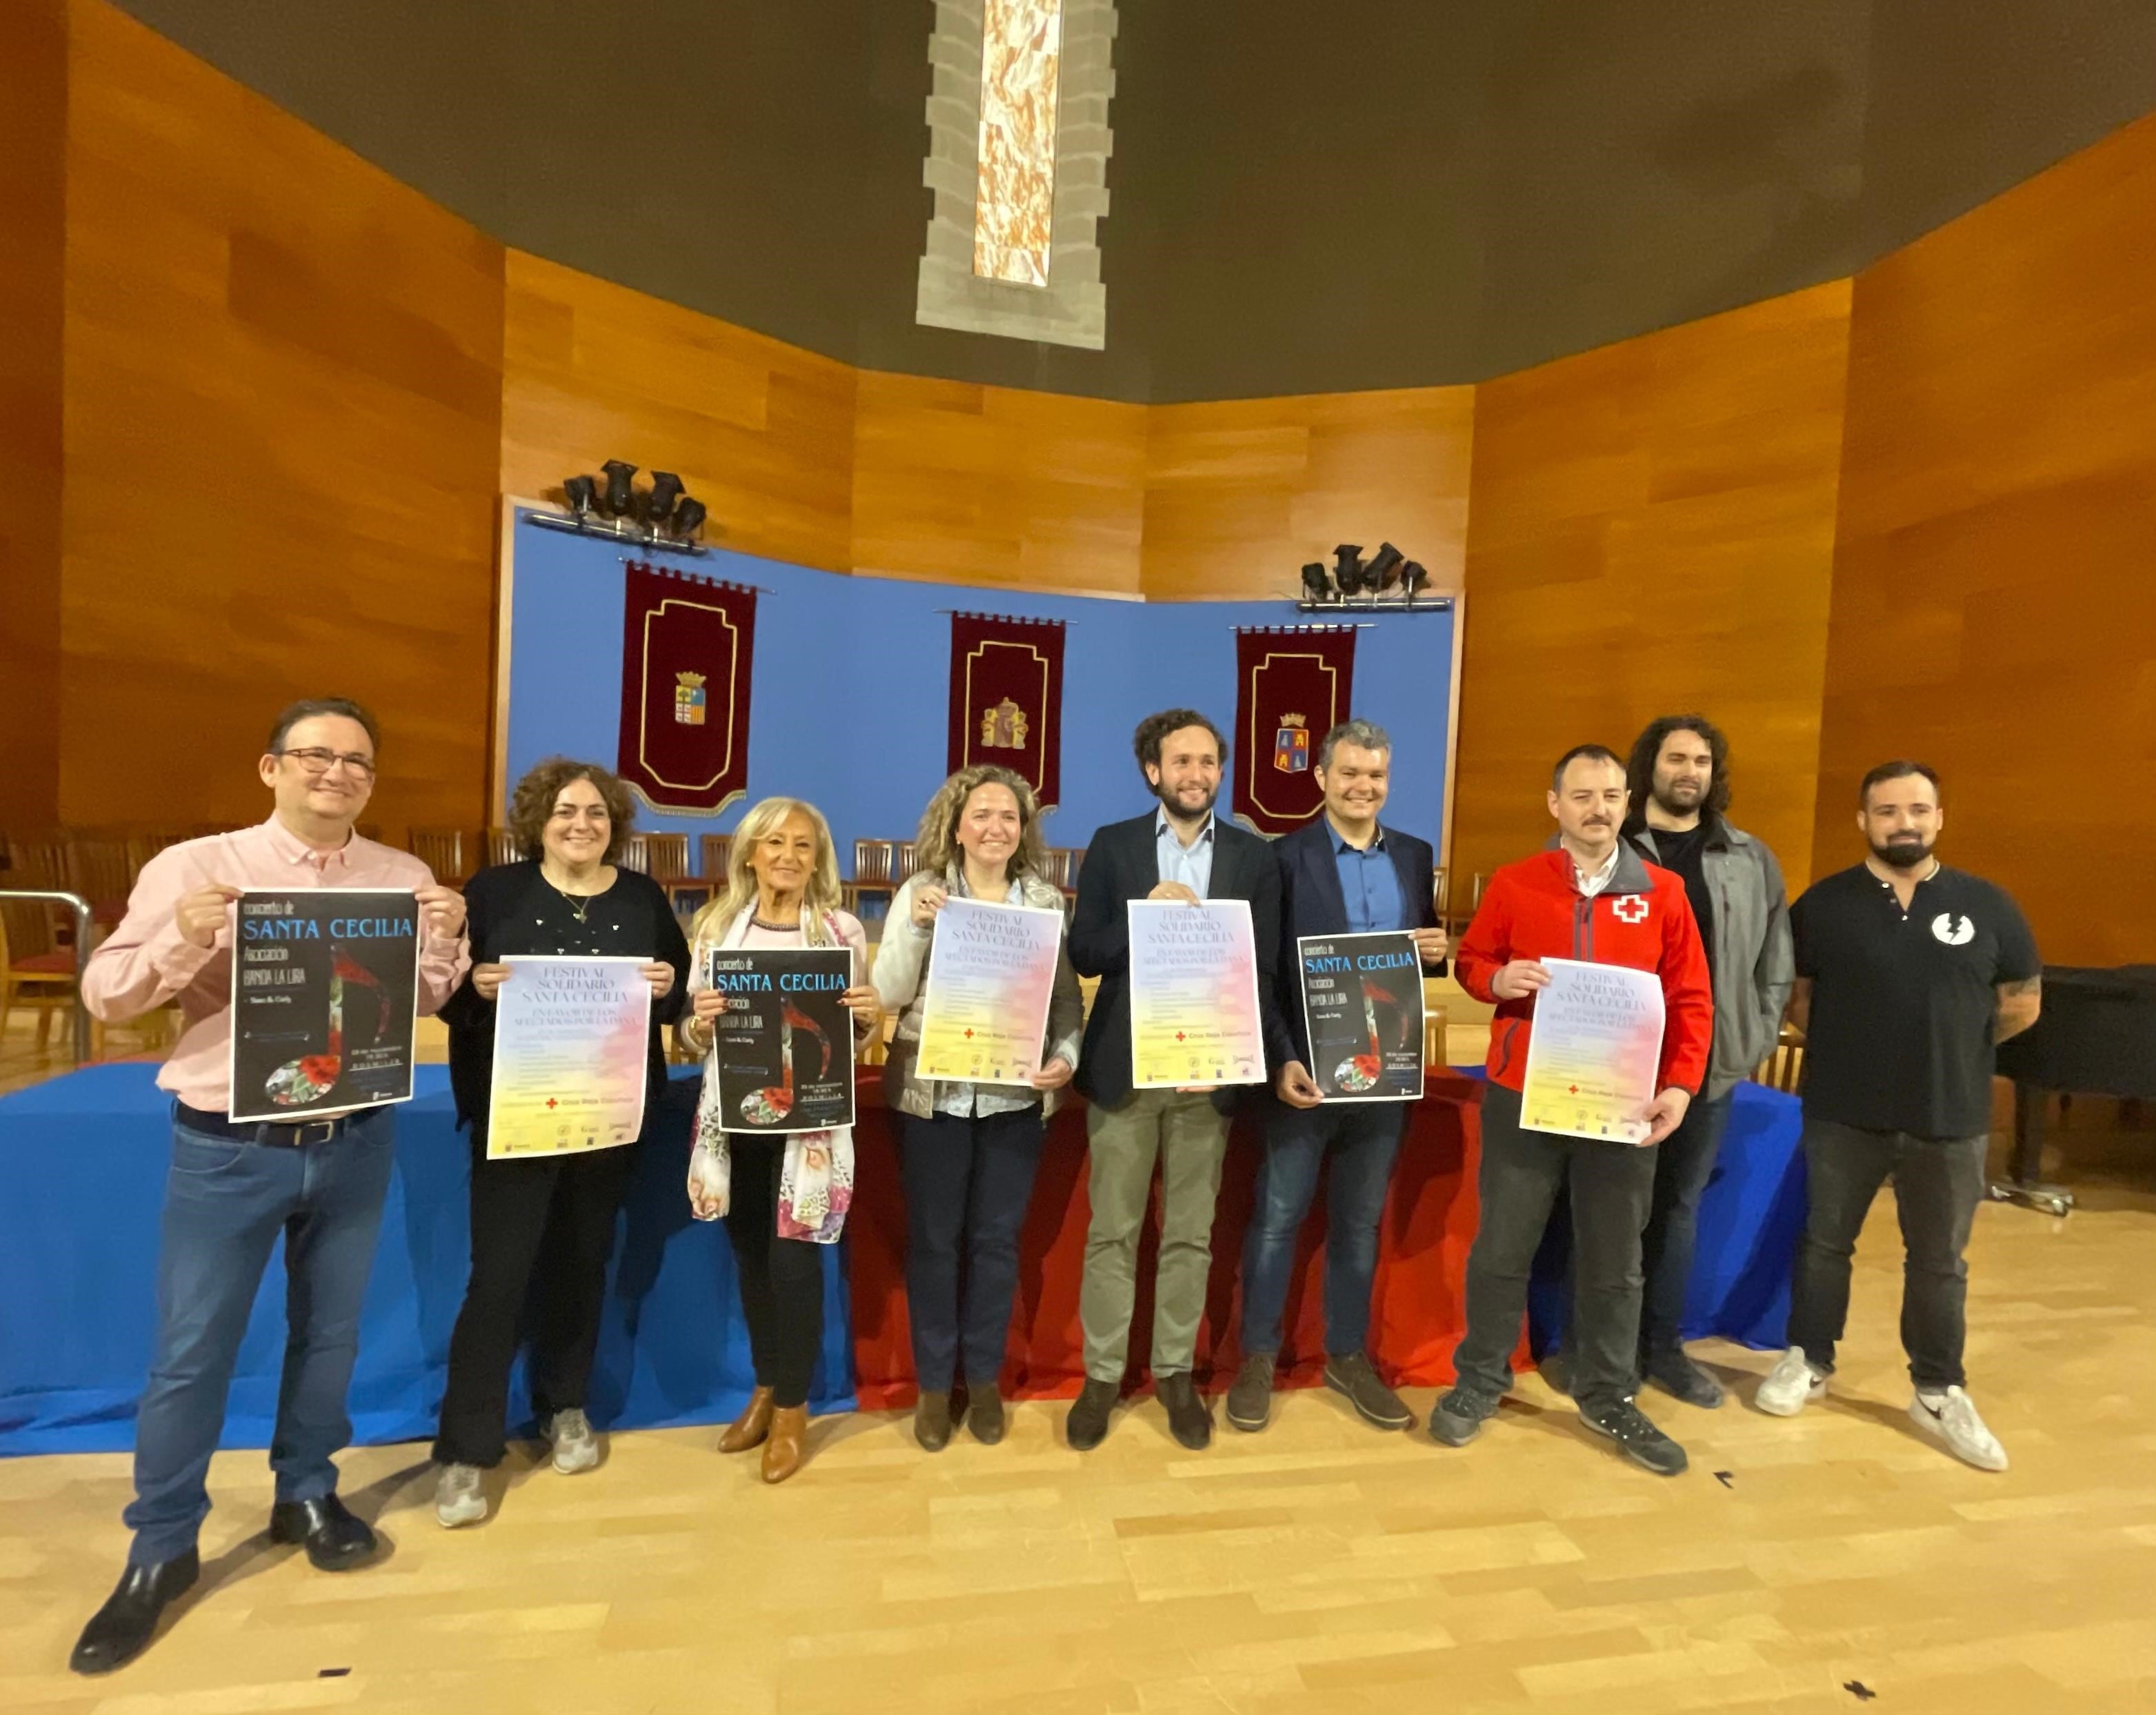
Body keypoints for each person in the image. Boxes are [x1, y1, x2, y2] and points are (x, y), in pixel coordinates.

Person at [68, 699, 469, 1674]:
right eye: (316, 756)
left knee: (331, 1331)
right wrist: (186, 937)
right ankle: (160, 1548)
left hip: (355, 1131)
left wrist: (444, 940)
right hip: (230, 1141)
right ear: (271, 767)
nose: (337, 774)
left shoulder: (400, 876)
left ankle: (306, 1491)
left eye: (357, 763)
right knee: (191, 1350)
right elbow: (107, 994)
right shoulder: (199, 868)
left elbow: (425, 997)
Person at [1431, 744, 1712, 1476]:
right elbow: (1471, 962)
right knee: (1504, 1246)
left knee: (1617, 1257)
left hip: (1622, 1101)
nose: (1599, 808)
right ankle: (1481, 1377)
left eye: (1612, 795)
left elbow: (1691, 999)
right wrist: (1498, 978)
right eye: (1582, 795)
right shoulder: (1517, 884)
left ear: (1627, 801)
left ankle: (1608, 1391)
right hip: (1524, 1095)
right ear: (1554, 804)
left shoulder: (1664, 892)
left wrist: (1679, 1084)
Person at [1754, 762, 2039, 1471]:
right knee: (1824, 1243)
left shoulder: (1990, 904)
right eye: (1887, 810)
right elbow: (1800, 1000)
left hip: (1951, 1116)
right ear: (1864, 821)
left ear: (1939, 816)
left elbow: (2020, 1003)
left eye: (1917, 809)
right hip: (1843, 1112)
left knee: (1940, 1261)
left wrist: (1949, 1051)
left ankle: (1938, 1388)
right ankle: (1809, 1358)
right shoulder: (1824, 906)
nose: (1903, 822)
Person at [429, 759, 690, 1527]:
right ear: (538, 819)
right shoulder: (494, 891)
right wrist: (470, 988)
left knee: (583, 1263)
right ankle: (465, 1450)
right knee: (498, 1278)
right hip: (516, 1116)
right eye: (567, 811)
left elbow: (674, 989)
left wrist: (665, 983)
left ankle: (564, 1405)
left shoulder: (641, 896)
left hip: (606, 1117)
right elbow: (445, 994)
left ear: (616, 824)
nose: (583, 824)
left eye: (598, 813)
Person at [1540, 715, 1791, 1408]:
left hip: (1703, 1067)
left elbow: (1776, 961)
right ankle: (1582, 1344)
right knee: (1594, 1209)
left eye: (1703, 760)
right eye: (1676, 757)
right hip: (1607, 1062)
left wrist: (1752, 1038)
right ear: (1648, 767)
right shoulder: (1601, 843)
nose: (1689, 770)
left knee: (1676, 1211)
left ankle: (1660, 1348)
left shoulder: (1749, 856)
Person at [1066, 708, 1283, 1452]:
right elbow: (1084, 952)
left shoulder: (1257, 859)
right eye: (1180, 761)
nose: (1196, 774)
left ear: (1220, 772)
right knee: (1113, 1232)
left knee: (1190, 1234)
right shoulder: (1115, 845)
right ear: (1153, 772)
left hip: (1207, 1074)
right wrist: (1139, 918)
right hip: (1128, 1070)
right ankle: (1101, 1375)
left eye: (1208, 762)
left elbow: (1266, 969)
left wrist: (1234, 1053)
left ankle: (1173, 1372)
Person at [1226, 718, 1448, 1435]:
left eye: (1376, 775)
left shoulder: (1413, 855)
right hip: (1307, 1073)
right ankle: (1257, 1358)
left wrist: (1439, 949)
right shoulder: (1282, 858)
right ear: (1321, 777)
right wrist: (1283, 1055)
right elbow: (1262, 973)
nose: (1364, 787)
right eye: (1350, 773)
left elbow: (1422, 952)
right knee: (1277, 1219)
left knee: (1358, 1222)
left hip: (1385, 1073)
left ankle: (1348, 1355)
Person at [873, 765, 1083, 1450]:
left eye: (1009, 816)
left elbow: (1063, 1000)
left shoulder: (1045, 900)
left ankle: (983, 1379)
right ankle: (937, 1385)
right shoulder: (922, 892)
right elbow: (888, 990)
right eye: (982, 814)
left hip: (1015, 1095)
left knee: (996, 1244)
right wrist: (913, 924)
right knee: (936, 1242)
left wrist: (1066, 1058)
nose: (996, 826)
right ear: (956, 825)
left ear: (1024, 830)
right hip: (933, 1097)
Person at [677, 797, 879, 1483]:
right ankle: (765, 1386)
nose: (787, 856)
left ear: (817, 857)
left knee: (794, 1265)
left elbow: (851, 1036)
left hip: (810, 1128)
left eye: (802, 844)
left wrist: (867, 1015)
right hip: (736, 1122)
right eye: (773, 843)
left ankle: (792, 1405)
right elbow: (690, 1034)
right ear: (751, 854)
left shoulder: (840, 931)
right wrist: (699, 1022)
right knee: (751, 1260)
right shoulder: (715, 929)